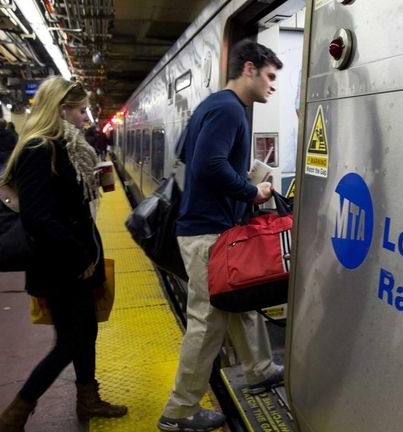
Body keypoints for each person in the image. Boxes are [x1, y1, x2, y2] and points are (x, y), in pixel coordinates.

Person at [0, 77, 127, 431]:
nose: (85, 118)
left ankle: (88, 399)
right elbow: (38, 217)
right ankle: (12, 416)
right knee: (68, 343)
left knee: (87, 331)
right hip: (62, 266)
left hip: (79, 261)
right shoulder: (39, 149)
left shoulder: (65, 147)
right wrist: (79, 258)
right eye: (81, 111)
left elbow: (64, 203)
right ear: (60, 109)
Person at [157, 40, 283, 432]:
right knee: (208, 320)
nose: (272, 85)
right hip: (206, 233)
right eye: (269, 76)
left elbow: (192, 157)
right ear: (249, 69)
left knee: (240, 300)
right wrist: (251, 191)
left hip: (212, 228)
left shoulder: (215, 106)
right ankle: (178, 412)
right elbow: (209, 165)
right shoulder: (229, 109)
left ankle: (259, 369)